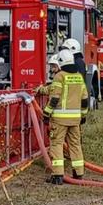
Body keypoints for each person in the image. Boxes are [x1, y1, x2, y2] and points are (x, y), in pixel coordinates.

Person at [37, 50, 88, 183]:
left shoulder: (60, 76)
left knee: (57, 144)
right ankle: (78, 173)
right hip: (75, 119)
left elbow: (54, 98)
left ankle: (58, 175)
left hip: (60, 119)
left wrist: (46, 113)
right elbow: (85, 99)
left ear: (60, 62)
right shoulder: (78, 76)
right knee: (75, 145)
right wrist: (83, 115)